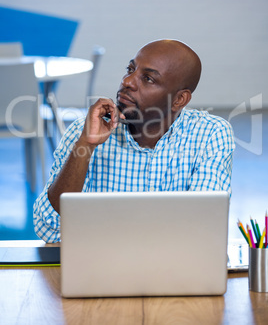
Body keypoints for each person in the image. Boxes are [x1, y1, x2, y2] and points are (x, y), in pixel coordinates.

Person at [33, 39, 235, 243]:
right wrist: (85, 144)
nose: (127, 81)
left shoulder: (210, 134)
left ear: (179, 100)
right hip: (100, 271)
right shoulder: (82, 131)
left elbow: (203, 231)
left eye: (148, 78)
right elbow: (48, 229)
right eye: (130, 69)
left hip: (172, 272)